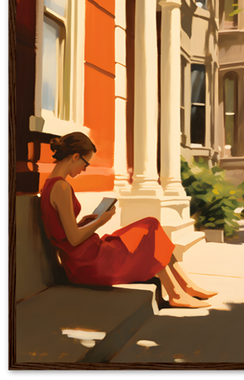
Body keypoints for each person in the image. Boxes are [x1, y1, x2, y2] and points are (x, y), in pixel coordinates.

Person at [40, 131, 216, 308]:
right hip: (87, 263)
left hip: (84, 256)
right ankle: (176, 293)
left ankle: (185, 285)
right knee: (149, 234)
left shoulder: (50, 184)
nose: (84, 169)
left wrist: (84, 221)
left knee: (151, 225)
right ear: (75, 156)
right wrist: (101, 221)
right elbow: (74, 238)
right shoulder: (61, 187)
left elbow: (63, 232)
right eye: (85, 163)